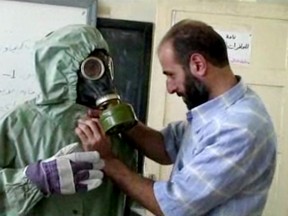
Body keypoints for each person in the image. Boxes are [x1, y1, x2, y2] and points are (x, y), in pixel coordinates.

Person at [75, 19, 277, 216]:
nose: (170, 88)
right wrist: (123, 121)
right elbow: (165, 146)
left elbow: (172, 207)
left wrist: (106, 160)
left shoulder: (239, 127)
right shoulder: (218, 110)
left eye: (171, 75)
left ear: (198, 64)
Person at [0, 24, 141, 216]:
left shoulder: (114, 131)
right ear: (62, 69)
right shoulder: (18, 124)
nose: (105, 79)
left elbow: (129, 203)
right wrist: (33, 180)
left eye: (107, 67)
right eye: (93, 68)